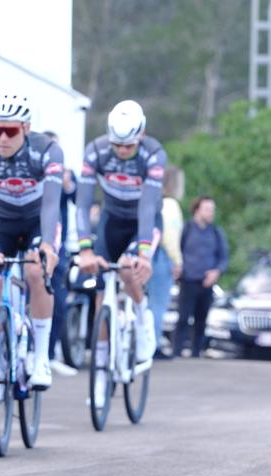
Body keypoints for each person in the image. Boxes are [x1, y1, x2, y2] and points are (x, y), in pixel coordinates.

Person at [0, 93, 62, 394]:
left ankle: (41, 357)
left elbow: (52, 205)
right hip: (0, 225)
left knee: (35, 271)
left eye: (11, 130)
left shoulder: (47, 150)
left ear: (26, 128)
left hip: (37, 222)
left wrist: (47, 245)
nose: (2, 138)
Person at [76, 99, 164, 381]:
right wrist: (85, 248)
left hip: (143, 222)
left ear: (142, 135)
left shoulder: (153, 154)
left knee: (128, 269)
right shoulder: (96, 151)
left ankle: (142, 314)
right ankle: (101, 367)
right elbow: (82, 203)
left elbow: (148, 206)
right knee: (101, 293)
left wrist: (144, 254)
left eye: (129, 146)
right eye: (117, 145)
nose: (123, 151)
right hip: (111, 221)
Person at [173, 196, 228, 358]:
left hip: (207, 282)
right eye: (207, 209)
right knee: (183, 318)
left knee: (201, 320)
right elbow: (177, 249)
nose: (211, 213)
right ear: (197, 210)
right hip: (188, 280)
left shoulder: (216, 232)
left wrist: (216, 271)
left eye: (212, 210)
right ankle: (176, 352)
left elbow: (223, 257)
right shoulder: (187, 229)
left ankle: (196, 353)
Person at [42, 130, 78, 375]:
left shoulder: (66, 173)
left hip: (58, 248)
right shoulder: (32, 169)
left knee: (58, 301)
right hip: (33, 243)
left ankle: (50, 354)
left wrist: (68, 184)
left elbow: (79, 198)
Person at [146, 164, 184, 360]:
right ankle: (153, 345)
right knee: (158, 303)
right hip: (160, 256)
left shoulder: (154, 202)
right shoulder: (170, 206)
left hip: (148, 253)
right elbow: (169, 236)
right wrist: (177, 261)